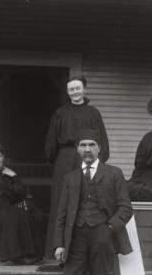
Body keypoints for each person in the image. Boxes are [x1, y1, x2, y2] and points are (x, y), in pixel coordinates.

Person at [45, 129, 133, 275]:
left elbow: (125, 208)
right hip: (75, 240)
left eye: (91, 145)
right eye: (82, 145)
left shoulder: (114, 174)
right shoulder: (71, 178)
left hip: (103, 239)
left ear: (99, 148)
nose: (87, 149)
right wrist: (59, 244)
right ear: (77, 149)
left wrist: (109, 228)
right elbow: (62, 213)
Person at [44, 77, 109, 259]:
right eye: (71, 89)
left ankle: (82, 252)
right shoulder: (60, 113)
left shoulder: (93, 113)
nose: (75, 92)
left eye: (78, 88)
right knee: (61, 203)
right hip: (64, 159)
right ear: (67, 92)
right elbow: (50, 143)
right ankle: (55, 252)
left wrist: (98, 161)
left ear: (84, 90)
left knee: (86, 200)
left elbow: (102, 140)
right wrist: (56, 160)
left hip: (88, 157)